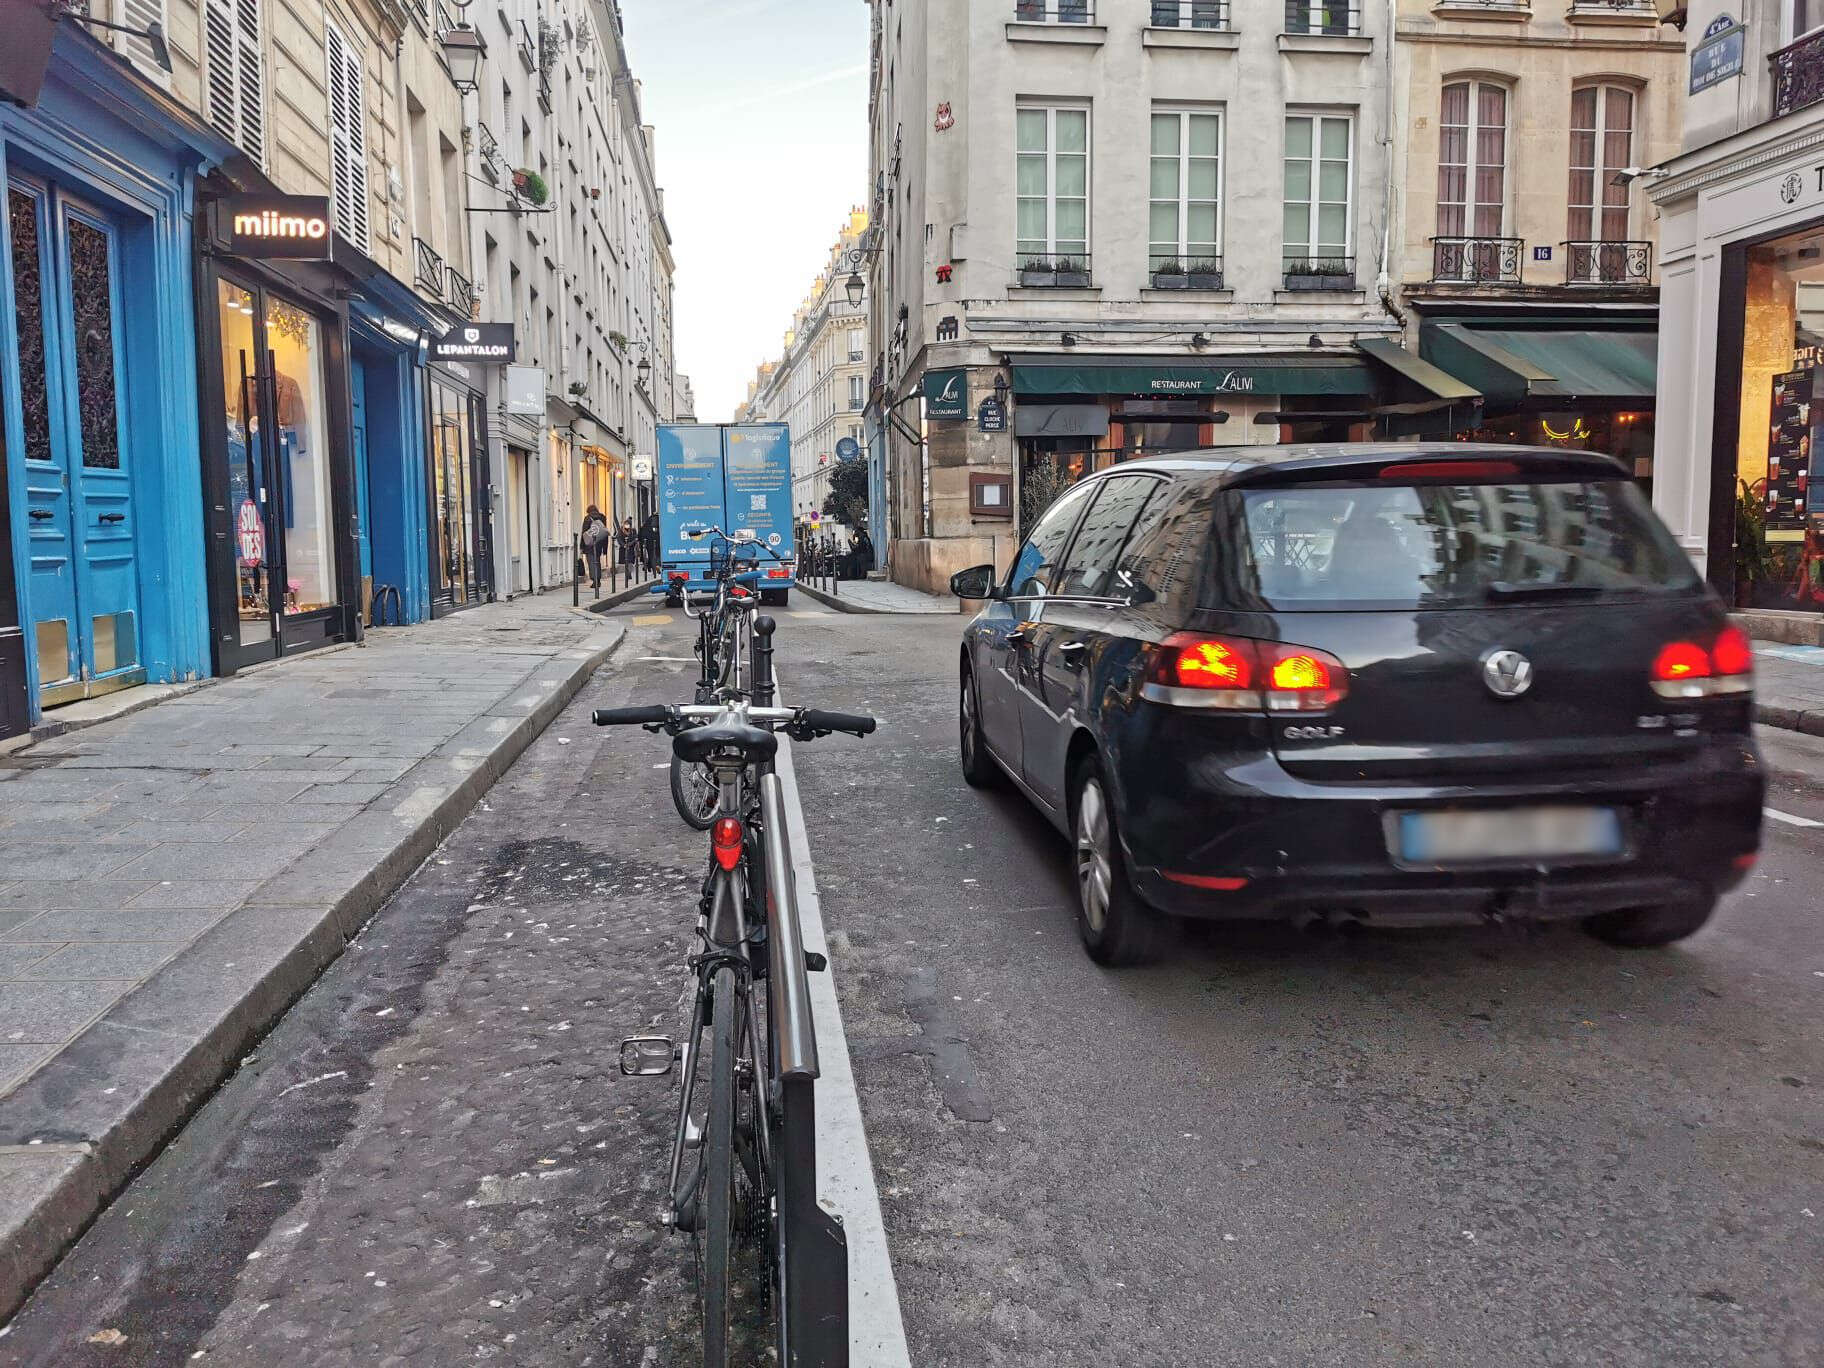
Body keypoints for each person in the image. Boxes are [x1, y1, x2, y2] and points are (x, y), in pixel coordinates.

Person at [580, 504, 608, 593]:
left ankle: (594, 580)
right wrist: (605, 548)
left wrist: (581, 546)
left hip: (590, 544)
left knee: (591, 562)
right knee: (597, 561)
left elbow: (584, 533)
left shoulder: (587, 518)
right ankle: (598, 579)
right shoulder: (602, 517)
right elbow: (604, 532)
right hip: (599, 543)